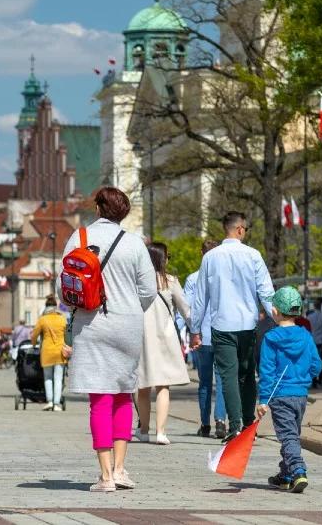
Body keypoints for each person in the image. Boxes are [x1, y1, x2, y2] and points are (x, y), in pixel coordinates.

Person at [62, 187, 157, 492]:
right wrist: (128, 307)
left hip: (92, 326)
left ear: (98, 209)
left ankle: (104, 476)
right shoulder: (134, 243)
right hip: (127, 325)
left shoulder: (79, 239)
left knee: (99, 399)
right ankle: (120, 469)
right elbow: (149, 291)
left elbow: (62, 289)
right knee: (121, 394)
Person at [189, 212, 275, 443]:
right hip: (247, 324)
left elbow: (200, 298)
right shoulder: (253, 255)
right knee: (247, 374)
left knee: (227, 375)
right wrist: (279, 319)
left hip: (221, 325)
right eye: (245, 229)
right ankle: (248, 424)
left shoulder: (210, 257)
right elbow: (266, 291)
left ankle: (235, 425)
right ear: (239, 230)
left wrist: (195, 329)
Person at [257, 287, 322, 494]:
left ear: (275, 311)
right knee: (291, 434)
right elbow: (316, 365)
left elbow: (266, 371)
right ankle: (285, 475)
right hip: (300, 395)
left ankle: (298, 470)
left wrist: (264, 400)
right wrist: (303, 377)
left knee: (288, 437)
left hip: (280, 394)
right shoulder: (305, 336)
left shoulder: (270, 338)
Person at [134, 242, 191, 445]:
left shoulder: (137, 282)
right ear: (162, 258)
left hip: (141, 338)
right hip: (165, 337)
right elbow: (186, 310)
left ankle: (143, 429)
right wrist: (196, 331)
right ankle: (161, 432)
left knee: (142, 386)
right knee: (162, 386)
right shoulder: (170, 281)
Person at [185, 239, 227, 438]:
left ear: (202, 254)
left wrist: (192, 331)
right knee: (221, 381)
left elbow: (189, 308)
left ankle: (204, 423)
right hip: (222, 334)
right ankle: (220, 420)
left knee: (204, 383)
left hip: (202, 335)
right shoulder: (224, 277)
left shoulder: (194, 278)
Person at [31, 296, 68, 411]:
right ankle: (57, 404)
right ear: (55, 307)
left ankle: (50, 401)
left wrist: (33, 344)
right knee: (58, 378)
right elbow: (68, 333)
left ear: (46, 307)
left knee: (48, 378)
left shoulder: (43, 319)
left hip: (47, 352)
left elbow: (34, 335)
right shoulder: (62, 319)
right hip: (60, 352)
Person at [305, 300, 322, 388]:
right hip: (321, 341)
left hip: (312, 340)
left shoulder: (309, 317)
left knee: (311, 360)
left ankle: (314, 380)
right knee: (321, 360)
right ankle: (320, 379)